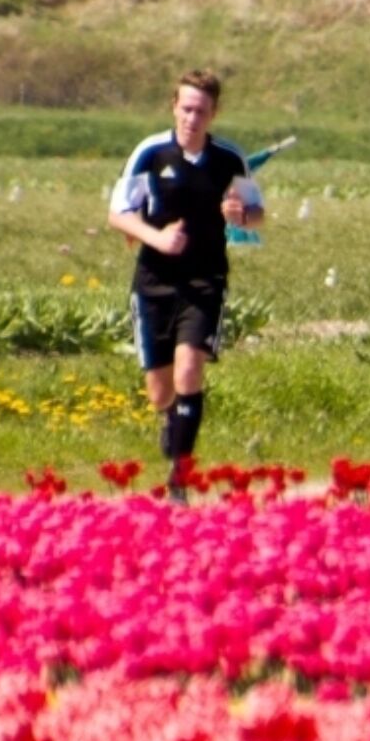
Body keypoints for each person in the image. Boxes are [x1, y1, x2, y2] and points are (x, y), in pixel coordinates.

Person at [107, 70, 264, 501]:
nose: (193, 118)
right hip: (153, 281)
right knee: (160, 390)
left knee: (189, 370)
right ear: (174, 106)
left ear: (214, 113)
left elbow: (256, 213)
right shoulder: (151, 153)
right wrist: (158, 238)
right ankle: (172, 426)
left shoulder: (230, 159)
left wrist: (241, 216)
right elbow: (119, 213)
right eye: (186, 108)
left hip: (205, 280)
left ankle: (180, 475)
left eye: (202, 111)